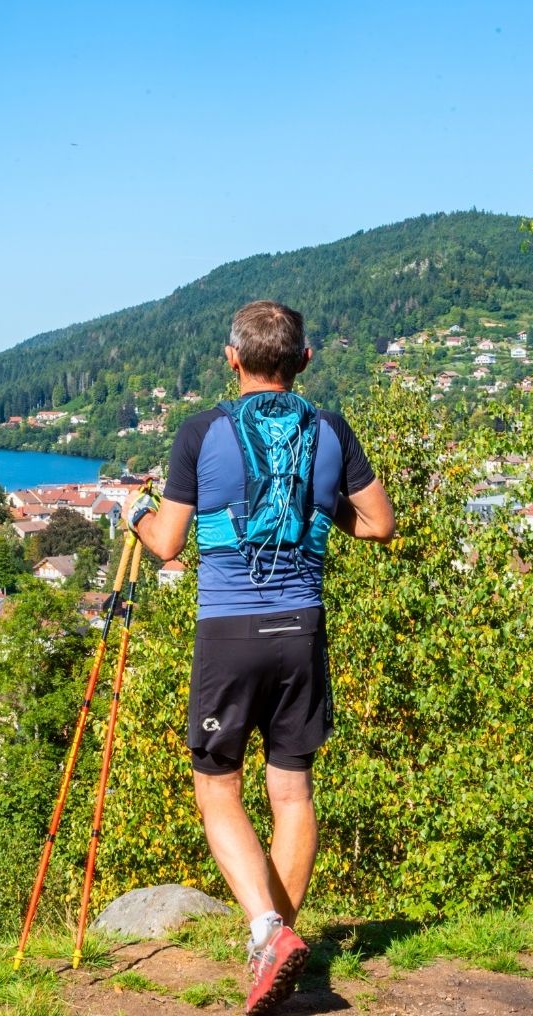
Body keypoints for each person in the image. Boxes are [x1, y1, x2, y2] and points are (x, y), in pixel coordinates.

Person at [129, 300, 395, 1014]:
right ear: (304, 361)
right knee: (293, 793)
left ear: (232, 359)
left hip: (230, 633)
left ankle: (267, 934)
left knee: (218, 788)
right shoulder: (331, 429)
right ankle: (276, 948)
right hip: (302, 629)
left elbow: (167, 545)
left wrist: (134, 512)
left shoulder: (201, 431)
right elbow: (380, 523)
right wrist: (318, 509)